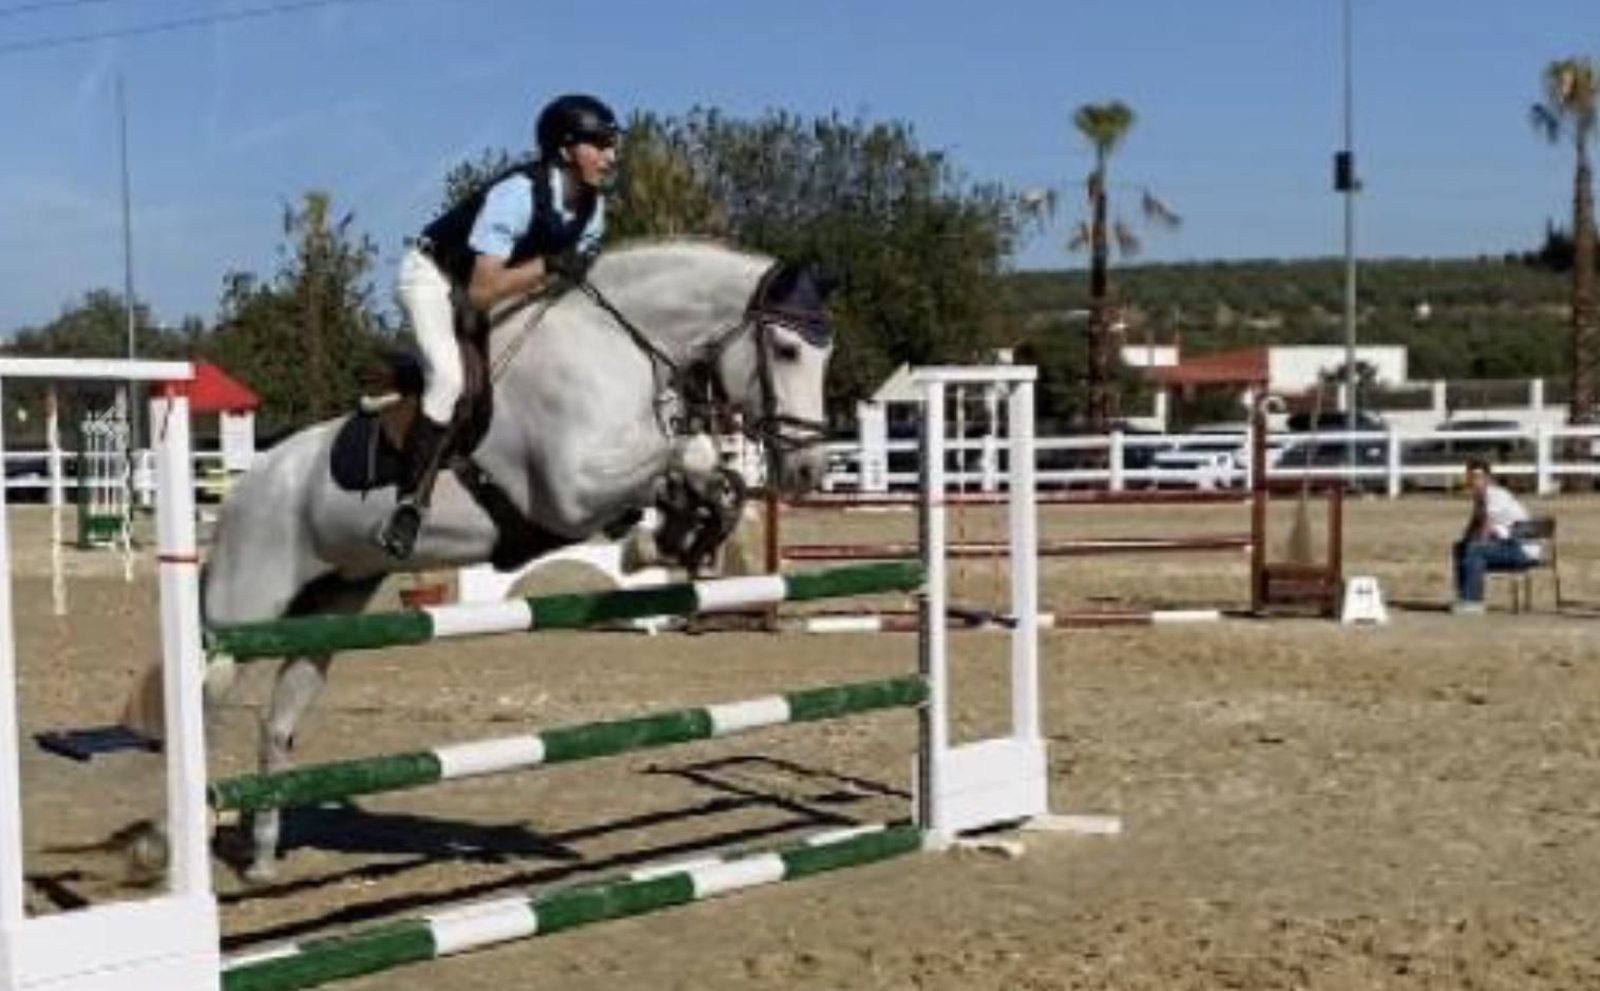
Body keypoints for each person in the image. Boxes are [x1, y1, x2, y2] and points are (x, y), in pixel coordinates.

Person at [377, 93, 621, 559]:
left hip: (496, 287)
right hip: (434, 278)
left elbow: (560, 282)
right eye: (600, 144)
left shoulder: (594, 209)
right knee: (449, 380)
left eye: (612, 145)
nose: (610, 156)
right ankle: (410, 504)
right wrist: (550, 265)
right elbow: (481, 292)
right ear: (567, 150)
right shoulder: (517, 194)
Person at [1451, 457, 1534, 614]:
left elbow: (1485, 528)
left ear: (1488, 477)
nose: (1473, 481)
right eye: (1470, 476)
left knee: (1475, 549)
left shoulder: (1495, 495)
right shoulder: (1481, 498)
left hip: (1521, 549)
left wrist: (1474, 542)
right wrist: (1466, 541)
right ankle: (1463, 597)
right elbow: (1472, 529)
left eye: (1477, 476)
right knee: (1461, 547)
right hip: (1505, 544)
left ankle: (1473, 602)